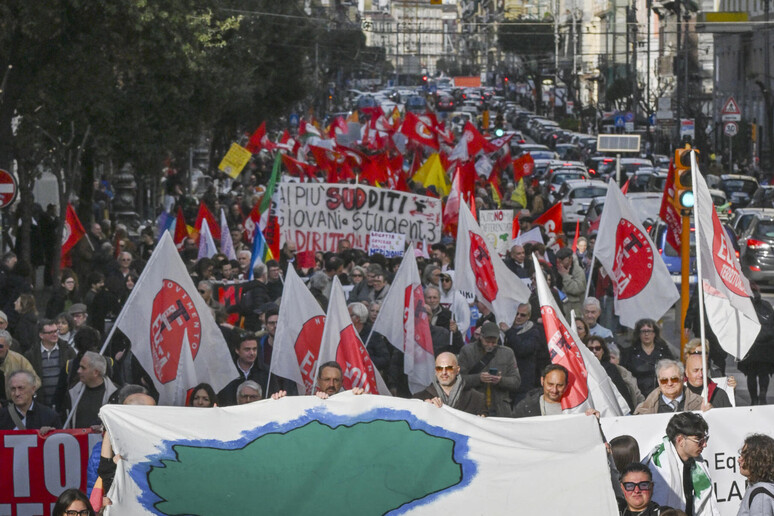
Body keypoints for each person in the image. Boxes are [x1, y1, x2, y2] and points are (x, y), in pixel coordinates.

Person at [643, 412, 719, 515]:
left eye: (705, 439)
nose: (704, 444)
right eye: (699, 440)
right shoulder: (659, 468)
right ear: (680, 440)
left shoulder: (697, 462)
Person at [458, 321, 521, 417]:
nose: (490, 345)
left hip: (500, 409)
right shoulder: (467, 351)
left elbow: (516, 381)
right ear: (481, 337)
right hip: (474, 407)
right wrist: (478, 378)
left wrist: (501, 380)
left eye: (494, 342)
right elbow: (458, 381)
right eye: (487, 341)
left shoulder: (507, 353)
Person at [503, 303, 549, 404]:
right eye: (516, 313)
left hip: (524, 381)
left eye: (522, 315)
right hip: (504, 379)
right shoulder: (503, 328)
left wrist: (508, 332)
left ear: (528, 316)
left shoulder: (534, 331)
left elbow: (523, 349)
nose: (518, 317)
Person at [413, 352, 486, 416]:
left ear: (457, 370)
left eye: (449, 368)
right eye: (439, 368)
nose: (444, 372)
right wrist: (422, 408)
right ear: (435, 371)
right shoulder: (419, 399)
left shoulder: (477, 399)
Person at [24, 319, 76, 408]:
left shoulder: (68, 351)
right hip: (40, 403)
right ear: (41, 335)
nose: (55, 334)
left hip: (63, 402)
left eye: (56, 331)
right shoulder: (31, 355)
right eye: (50, 332)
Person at [621, 319, 676, 397]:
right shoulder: (630, 353)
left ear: (654, 333)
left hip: (661, 394)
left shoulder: (664, 351)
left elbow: (673, 370)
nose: (646, 334)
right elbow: (624, 374)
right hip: (638, 395)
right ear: (638, 334)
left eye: (649, 331)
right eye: (643, 331)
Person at [217, 333, 275, 406]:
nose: (252, 353)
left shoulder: (267, 373)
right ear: (237, 350)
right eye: (247, 349)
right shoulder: (226, 373)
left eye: (254, 349)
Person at [68, 351, 119, 429]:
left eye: (83, 368)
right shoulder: (72, 392)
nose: (78, 371)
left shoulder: (116, 395)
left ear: (95, 372)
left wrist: (103, 429)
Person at [634, 359, 704, 415]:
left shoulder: (700, 404)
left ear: (682, 379)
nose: (669, 383)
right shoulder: (643, 410)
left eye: (674, 379)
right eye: (664, 380)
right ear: (659, 382)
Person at [586, 335, 634, 411]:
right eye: (590, 349)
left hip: (609, 408)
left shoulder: (611, 368)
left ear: (603, 351)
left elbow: (621, 391)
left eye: (597, 348)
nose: (594, 351)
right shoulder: (581, 369)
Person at [737, 433, 774, 515]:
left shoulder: (761, 495)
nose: (739, 460)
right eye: (740, 455)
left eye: (744, 456)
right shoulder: (759, 488)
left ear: (758, 461)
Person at [0, 329, 40, 403]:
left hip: (14, 403)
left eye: (0, 346)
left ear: (8, 346)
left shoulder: (19, 360)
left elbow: (36, 381)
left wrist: (22, 392)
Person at [554, 247, 586, 320]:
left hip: (573, 308)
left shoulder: (578, 271)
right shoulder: (556, 269)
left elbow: (577, 289)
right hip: (560, 307)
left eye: (562, 261)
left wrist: (565, 276)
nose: (560, 264)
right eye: (558, 261)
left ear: (570, 259)